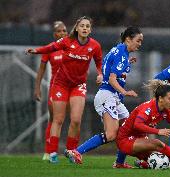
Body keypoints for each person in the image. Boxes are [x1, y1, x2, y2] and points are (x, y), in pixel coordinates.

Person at [66, 80, 170, 168]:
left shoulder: (166, 110)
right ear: (160, 98)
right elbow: (137, 126)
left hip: (138, 140)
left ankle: (136, 163)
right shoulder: (148, 108)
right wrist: (158, 132)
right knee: (158, 144)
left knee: (158, 157)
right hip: (125, 142)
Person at [26, 16, 103, 163]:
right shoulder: (67, 41)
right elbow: (51, 47)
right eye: (82, 26)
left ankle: (71, 153)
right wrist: (36, 51)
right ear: (77, 28)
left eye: (87, 26)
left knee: (76, 120)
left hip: (78, 85)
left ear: (90, 29)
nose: (85, 28)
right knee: (58, 119)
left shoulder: (95, 46)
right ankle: (52, 153)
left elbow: (99, 63)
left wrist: (100, 74)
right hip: (61, 84)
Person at [65, 26, 143, 168]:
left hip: (112, 97)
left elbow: (108, 67)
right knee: (112, 134)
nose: (140, 44)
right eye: (138, 40)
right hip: (108, 96)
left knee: (128, 129)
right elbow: (112, 80)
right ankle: (76, 151)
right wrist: (125, 92)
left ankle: (119, 163)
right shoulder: (121, 54)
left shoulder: (119, 51)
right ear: (128, 39)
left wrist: (126, 63)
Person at [34, 21, 68, 161]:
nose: (62, 33)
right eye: (59, 31)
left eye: (64, 30)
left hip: (70, 87)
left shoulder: (70, 47)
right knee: (54, 118)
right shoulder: (50, 49)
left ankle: (71, 151)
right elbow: (41, 69)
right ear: (55, 34)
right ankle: (49, 151)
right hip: (56, 87)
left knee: (73, 119)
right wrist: (37, 88)